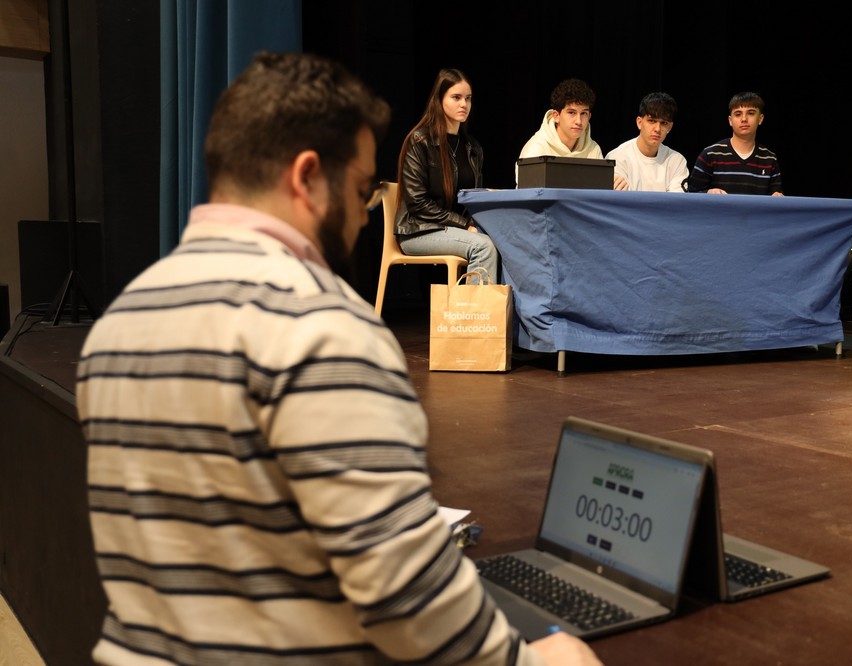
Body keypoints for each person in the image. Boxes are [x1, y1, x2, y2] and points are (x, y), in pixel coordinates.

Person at [76, 51, 601, 666]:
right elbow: (407, 605)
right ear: (305, 177)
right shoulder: (325, 333)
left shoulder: (119, 322)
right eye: (358, 191)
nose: (362, 216)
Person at [396, 68, 499, 283]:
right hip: (418, 230)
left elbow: (471, 198)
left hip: (453, 228)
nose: (464, 104)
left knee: (505, 241)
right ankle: (474, 315)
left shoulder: (472, 147)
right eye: (456, 97)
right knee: (483, 246)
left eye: (468, 99)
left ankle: (503, 313)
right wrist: (465, 225)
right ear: (439, 99)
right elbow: (417, 203)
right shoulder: (420, 141)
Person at [516, 78, 623, 188]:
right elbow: (529, 197)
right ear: (556, 116)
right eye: (571, 112)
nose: (578, 121)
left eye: (583, 113)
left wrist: (616, 185)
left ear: (589, 116)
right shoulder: (536, 149)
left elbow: (599, 194)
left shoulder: (593, 149)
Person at [685, 91, 784, 195]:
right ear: (730, 120)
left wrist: (778, 196)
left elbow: (775, 199)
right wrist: (708, 193)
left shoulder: (769, 159)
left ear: (760, 119)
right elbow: (691, 195)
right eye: (738, 114)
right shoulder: (710, 154)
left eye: (751, 113)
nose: (744, 119)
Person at [605, 92, 689, 193]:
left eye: (664, 123)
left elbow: (676, 202)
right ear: (639, 122)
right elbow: (619, 202)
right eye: (652, 121)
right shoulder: (617, 157)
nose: (657, 129)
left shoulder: (677, 161)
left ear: (669, 127)